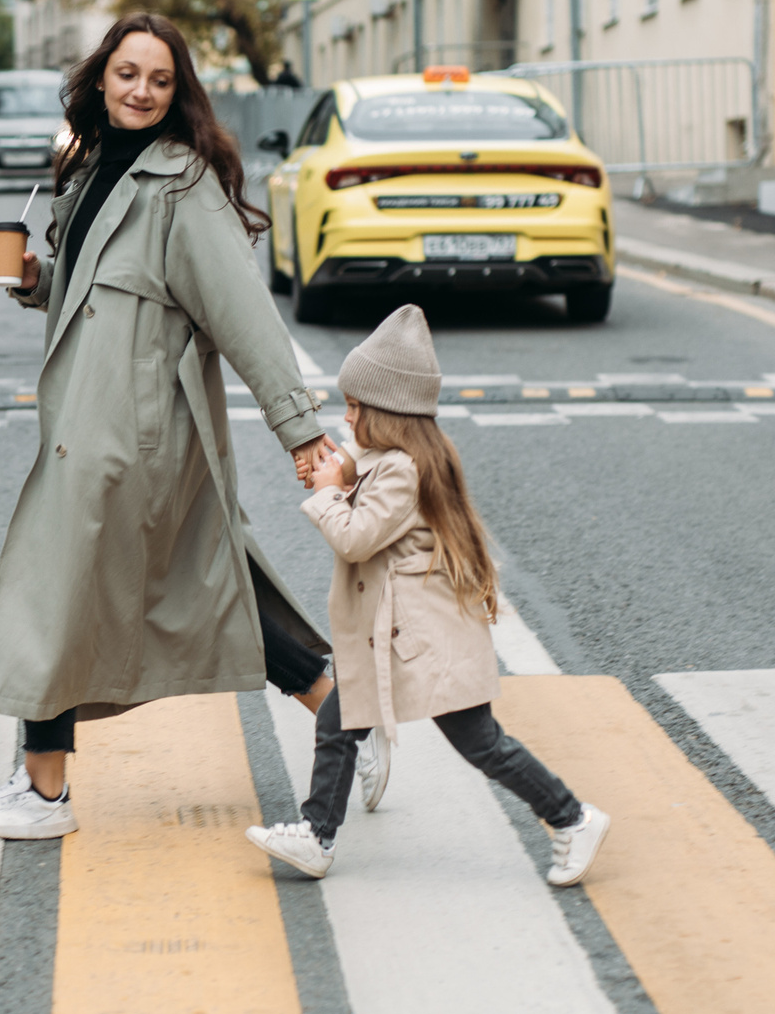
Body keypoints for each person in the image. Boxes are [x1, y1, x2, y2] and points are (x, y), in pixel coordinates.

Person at [0, 12, 342, 839]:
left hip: (129, 435)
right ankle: (344, 714)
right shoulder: (93, 167)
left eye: (160, 81)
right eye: (129, 74)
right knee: (204, 580)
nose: (142, 91)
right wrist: (34, 278)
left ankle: (43, 794)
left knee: (50, 595)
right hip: (94, 423)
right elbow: (98, 285)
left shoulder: (183, 185)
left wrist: (301, 430)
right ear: (102, 77)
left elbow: (244, 318)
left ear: (178, 92)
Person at [245, 304, 611, 885]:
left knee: (483, 744)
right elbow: (359, 478)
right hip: (391, 638)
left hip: (423, 641)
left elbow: (358, 539)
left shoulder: (402, 471)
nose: (346, 416)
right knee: (336, 728)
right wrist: (335, 472)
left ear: (387, 413)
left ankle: (572, 818)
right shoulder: (395, 460)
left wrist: (327, 494)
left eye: (354, 406)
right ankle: (317, 837)